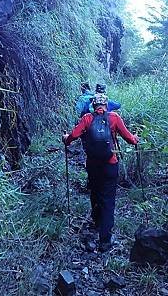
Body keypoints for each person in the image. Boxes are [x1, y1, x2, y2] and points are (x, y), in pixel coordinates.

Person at [63, 93, 138, 252]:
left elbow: (73, 136)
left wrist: (65, 138)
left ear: (94, 105)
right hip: (110, 165)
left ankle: (97, 221)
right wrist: (136, 138)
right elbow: (130, 139)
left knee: (95, 193)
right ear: (106, 105)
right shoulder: (114, 118)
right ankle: (105, 241)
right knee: (108, 200)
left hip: (93, 165)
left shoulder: (87, 119)